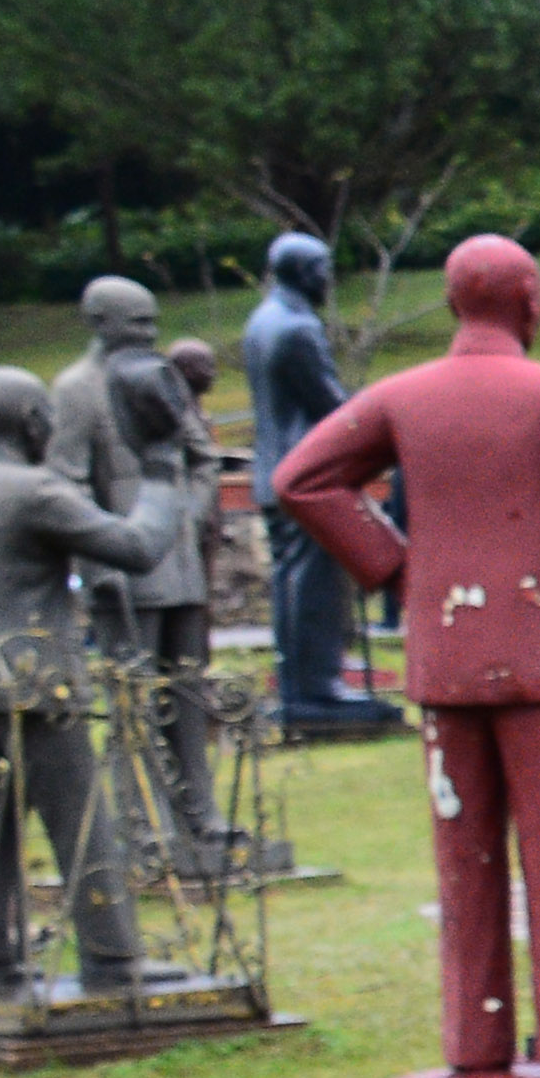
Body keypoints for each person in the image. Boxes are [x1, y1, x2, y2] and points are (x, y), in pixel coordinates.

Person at [275, 236, 540, 1078]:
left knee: (463, 858)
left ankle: (474, 1043)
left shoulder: (403, 395)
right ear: (528, 301)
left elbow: (301, 479)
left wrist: (397, 568)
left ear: (452, 303)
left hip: (445, 656)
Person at [0, 365, 197, 1001]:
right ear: (33, 423)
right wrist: (160, 476)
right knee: (81, 823)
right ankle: (111, 962)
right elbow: (134, 547)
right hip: (43, 687)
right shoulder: (36, 491)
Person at [43, 275, 223, 857]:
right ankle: (143, 823)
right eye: (136, 323)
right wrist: (101, 554)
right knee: (132, 698)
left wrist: (189, 519)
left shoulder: (159, 377)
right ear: (99, 322)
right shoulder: (75, 390)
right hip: (123, 567)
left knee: (189, 692)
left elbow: (202, 459)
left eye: (152, 322)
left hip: (181, 564)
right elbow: (65, 481)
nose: (148, 333)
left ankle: (201, 811)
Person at [240, 233, 392, 734]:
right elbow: (333, 408)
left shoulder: (262, 319)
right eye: (324, 269)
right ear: (303, 272)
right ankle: (317, 688)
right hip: (307, 475)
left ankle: (299, 684)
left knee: (293, 583)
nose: (330, 279)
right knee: (314, 586)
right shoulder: (298, 328)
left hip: (273, 470)